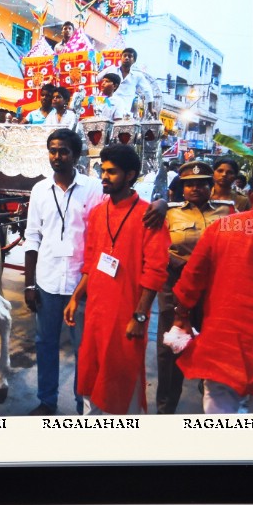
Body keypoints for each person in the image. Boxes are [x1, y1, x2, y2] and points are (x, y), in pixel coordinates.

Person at [64, 143, 170, 414]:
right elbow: (90, 261)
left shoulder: (149, 216)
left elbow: (155, 272)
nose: (104, 177)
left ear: (131, 175)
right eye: (103, 170)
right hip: (97, 312)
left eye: (111, 172)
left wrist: (140, 317)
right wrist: (76, 297)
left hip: (127, 316)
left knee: (123, 383)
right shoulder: (98, 213)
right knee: (91, 372)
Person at [23, 128, 105, 416]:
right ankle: (47, 401)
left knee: (83, 348)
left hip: (81, 284)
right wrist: (29, 284)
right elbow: (32, 237)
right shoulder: (39, 190)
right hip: (47, 281)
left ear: (76, 154)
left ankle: (83, 405)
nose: (57, 156)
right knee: (45, 343)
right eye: (53, 151)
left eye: (64, 151)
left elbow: (100, 234)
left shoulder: (93, 188)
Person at [155, 161, 234, 414]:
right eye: (189, 184)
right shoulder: (168, 212)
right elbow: (157, 249)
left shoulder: (227, 212)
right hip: (175, 289)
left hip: (214, 292)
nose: (195, 188)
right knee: (170, 351)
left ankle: (210, 406)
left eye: (201, 183)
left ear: (211, 186)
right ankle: (166, 409)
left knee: (211, 348)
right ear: (182, 188)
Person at [170, 205, 253, 414]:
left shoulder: (223, 225)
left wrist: (181, 315)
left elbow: (191, 278)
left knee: (219, 411)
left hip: (223, 344)